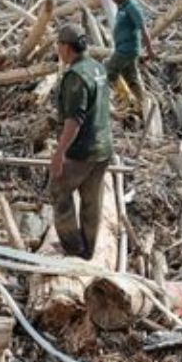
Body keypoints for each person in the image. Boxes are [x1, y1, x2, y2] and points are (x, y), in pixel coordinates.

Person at [49, 24, 114, 259]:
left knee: (58, 190)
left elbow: (74, 121)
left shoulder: (75, 76)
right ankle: (89, 249)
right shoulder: (98, 68)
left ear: (66, 47)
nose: (58, 50)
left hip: (82, 150)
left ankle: (72, 248)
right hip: (103, 147)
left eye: (58, 45)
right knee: (91, 200)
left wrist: (59, 155)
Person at [105, 0, 155, 106]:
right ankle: (143, 104)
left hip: (127, 50)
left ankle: (102, 103)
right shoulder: (122, 6)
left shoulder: (132, 7)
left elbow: (143, 29)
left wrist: (150, 51)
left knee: (108, 72)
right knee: (132, 79)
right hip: (124, 48)